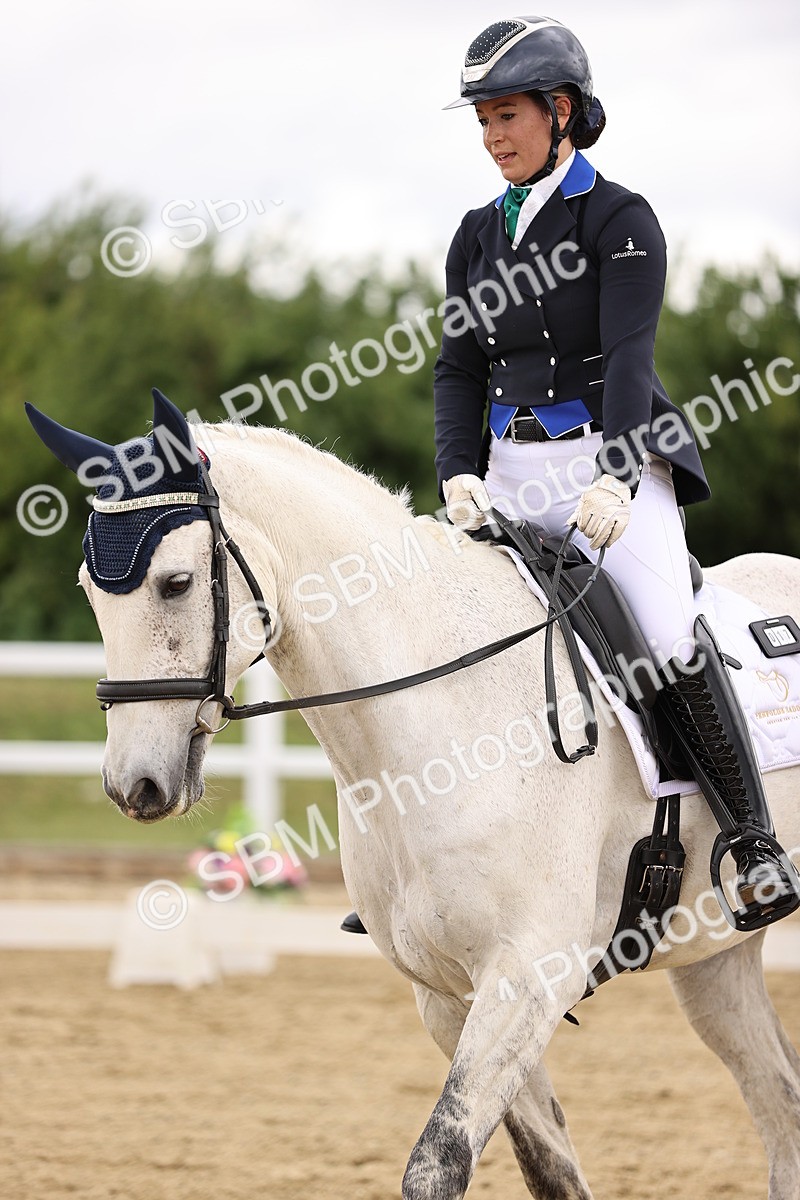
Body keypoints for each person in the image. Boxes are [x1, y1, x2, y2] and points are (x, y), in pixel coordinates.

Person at [430, 14, 799, 931]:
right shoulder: (476, 237)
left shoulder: (619, 218)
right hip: (510, 467)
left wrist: (618, 477)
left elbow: (630, 356)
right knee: (457, 637)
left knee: (669, 631)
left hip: (610, 460)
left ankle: (753, 842)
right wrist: (456, 470)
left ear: (560, 110)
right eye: (481, 119)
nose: (492, 136)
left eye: (506, 114)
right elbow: (459, 368)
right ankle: (442, 861)